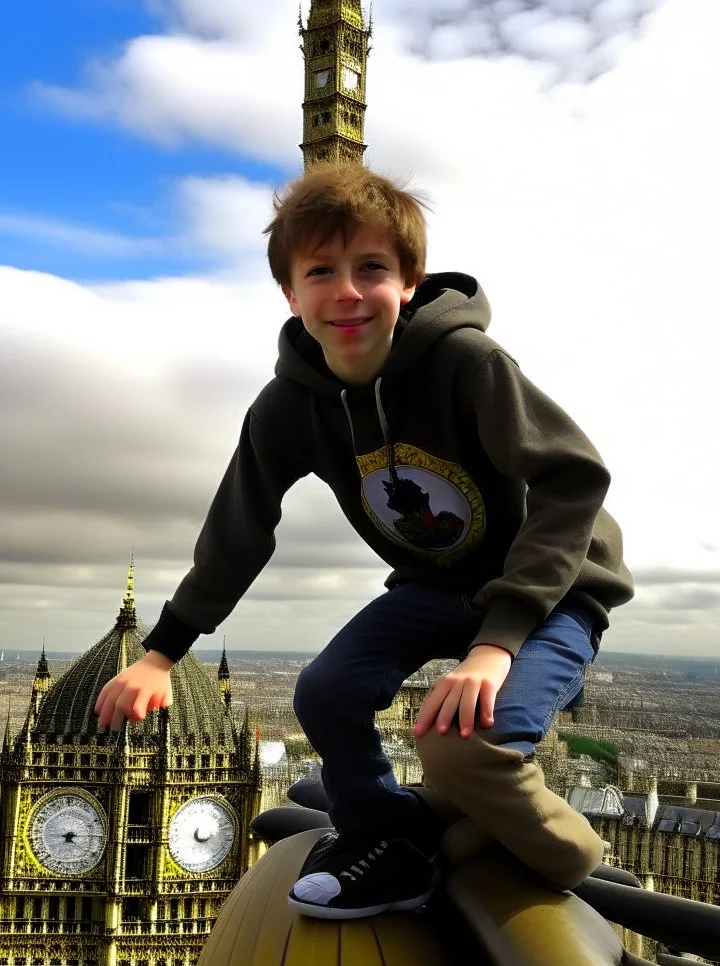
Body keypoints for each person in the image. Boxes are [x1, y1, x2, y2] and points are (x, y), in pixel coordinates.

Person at [94, 163, 634, 920]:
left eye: (371, 267)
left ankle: (576, 860)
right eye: (321, 272)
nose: (346, 291)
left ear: (408, 281)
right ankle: (391, 838)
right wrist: (163, 651)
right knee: (326, 692)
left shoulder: (466, 363)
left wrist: (497, 640)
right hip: (434, 584)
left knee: (461, 750)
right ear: (290, 293)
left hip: (551, 590)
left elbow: (572, 478)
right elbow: (239, 527)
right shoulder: (289, 406)